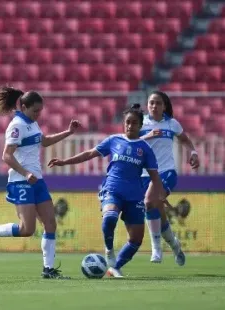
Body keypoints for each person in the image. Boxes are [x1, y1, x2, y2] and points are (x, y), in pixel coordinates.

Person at [0, 86, 81, 279]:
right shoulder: (16, 126)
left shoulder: (32, 123)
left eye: (40, 111)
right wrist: (26, 173)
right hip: (21, 181)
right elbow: (6, 156)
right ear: (24, 107)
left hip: (37, 180)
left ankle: (48, 269)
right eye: (35, 110)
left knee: (51, 224)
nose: (38, 114)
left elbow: (43, 141)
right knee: (26, 229)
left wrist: (68, 132)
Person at [49, 104, 165, 278]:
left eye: (134, 123)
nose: (130, 126)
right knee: (109, 218)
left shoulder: (145, 149)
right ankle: (109, 249)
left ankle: (115, 267)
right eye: (127, 122)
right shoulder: (113, 140)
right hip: (112, 189)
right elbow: (89, 154)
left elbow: (155, 176)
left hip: (134, 196)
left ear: (140, 126)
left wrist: (160, 194)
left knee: (136, 239)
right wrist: (65, 162)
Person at [140, 91, 200, 265]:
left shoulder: (171, 124)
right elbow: (130, 142)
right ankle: (175, 246)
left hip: (166, 172)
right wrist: (148, 136)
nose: (154, 106)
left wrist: (193, 152)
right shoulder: (141, 122)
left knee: (149, 202)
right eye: (151, 103)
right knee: (158, 211)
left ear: (164, 106)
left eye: (158, 103)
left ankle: (156, 248)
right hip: (143, 175)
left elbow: (185, 140)